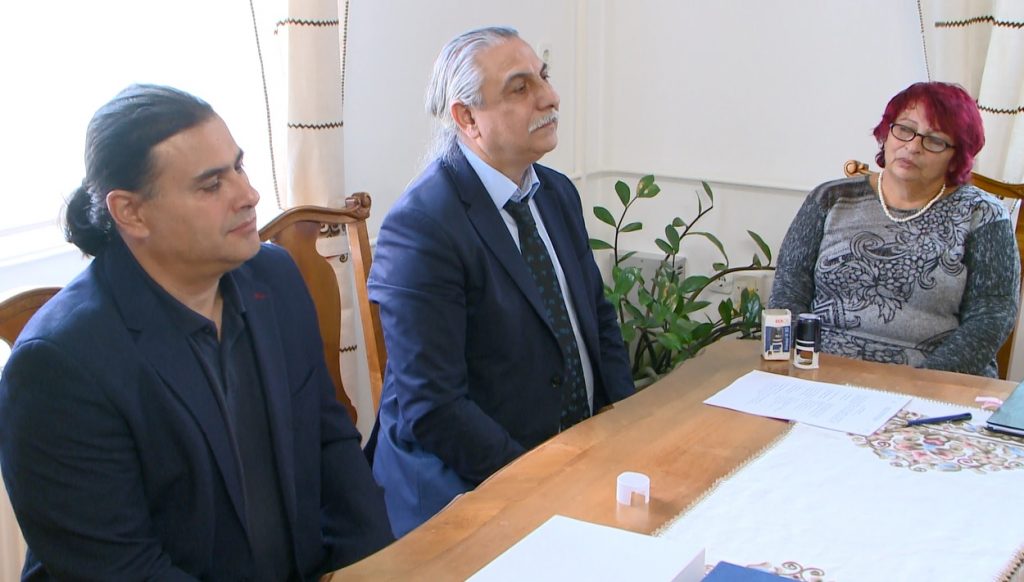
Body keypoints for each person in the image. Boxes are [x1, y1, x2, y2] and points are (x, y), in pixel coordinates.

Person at [0, 84, 393, 579]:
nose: (248, 195)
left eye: (239, 167)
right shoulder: (57, 364)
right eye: (211, 185)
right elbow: (122, 568)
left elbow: (330, 443)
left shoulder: (274, 278)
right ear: (131, 212)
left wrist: (377, 568)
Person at [367, 26, 634, 537]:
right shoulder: (421, 227)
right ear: (466, 118)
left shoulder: (556, 192)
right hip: (467, 489)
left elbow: (598, 324)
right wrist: (541, 482)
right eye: (520, 87)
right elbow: (436, 409)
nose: (550, 97)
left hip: (571, 461)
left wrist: (626, 427)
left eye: (544, 77)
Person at [769, 81, 1019, 377]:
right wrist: (804, 365)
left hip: (935, 380)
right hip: (821, 372)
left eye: (935, 140)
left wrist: (921, 381)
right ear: (885, 133)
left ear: (957, 155)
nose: (912, 146)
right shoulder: (830, 198)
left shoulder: (983, 213)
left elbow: (992, 315)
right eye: (904, 129)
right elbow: (789, 290)